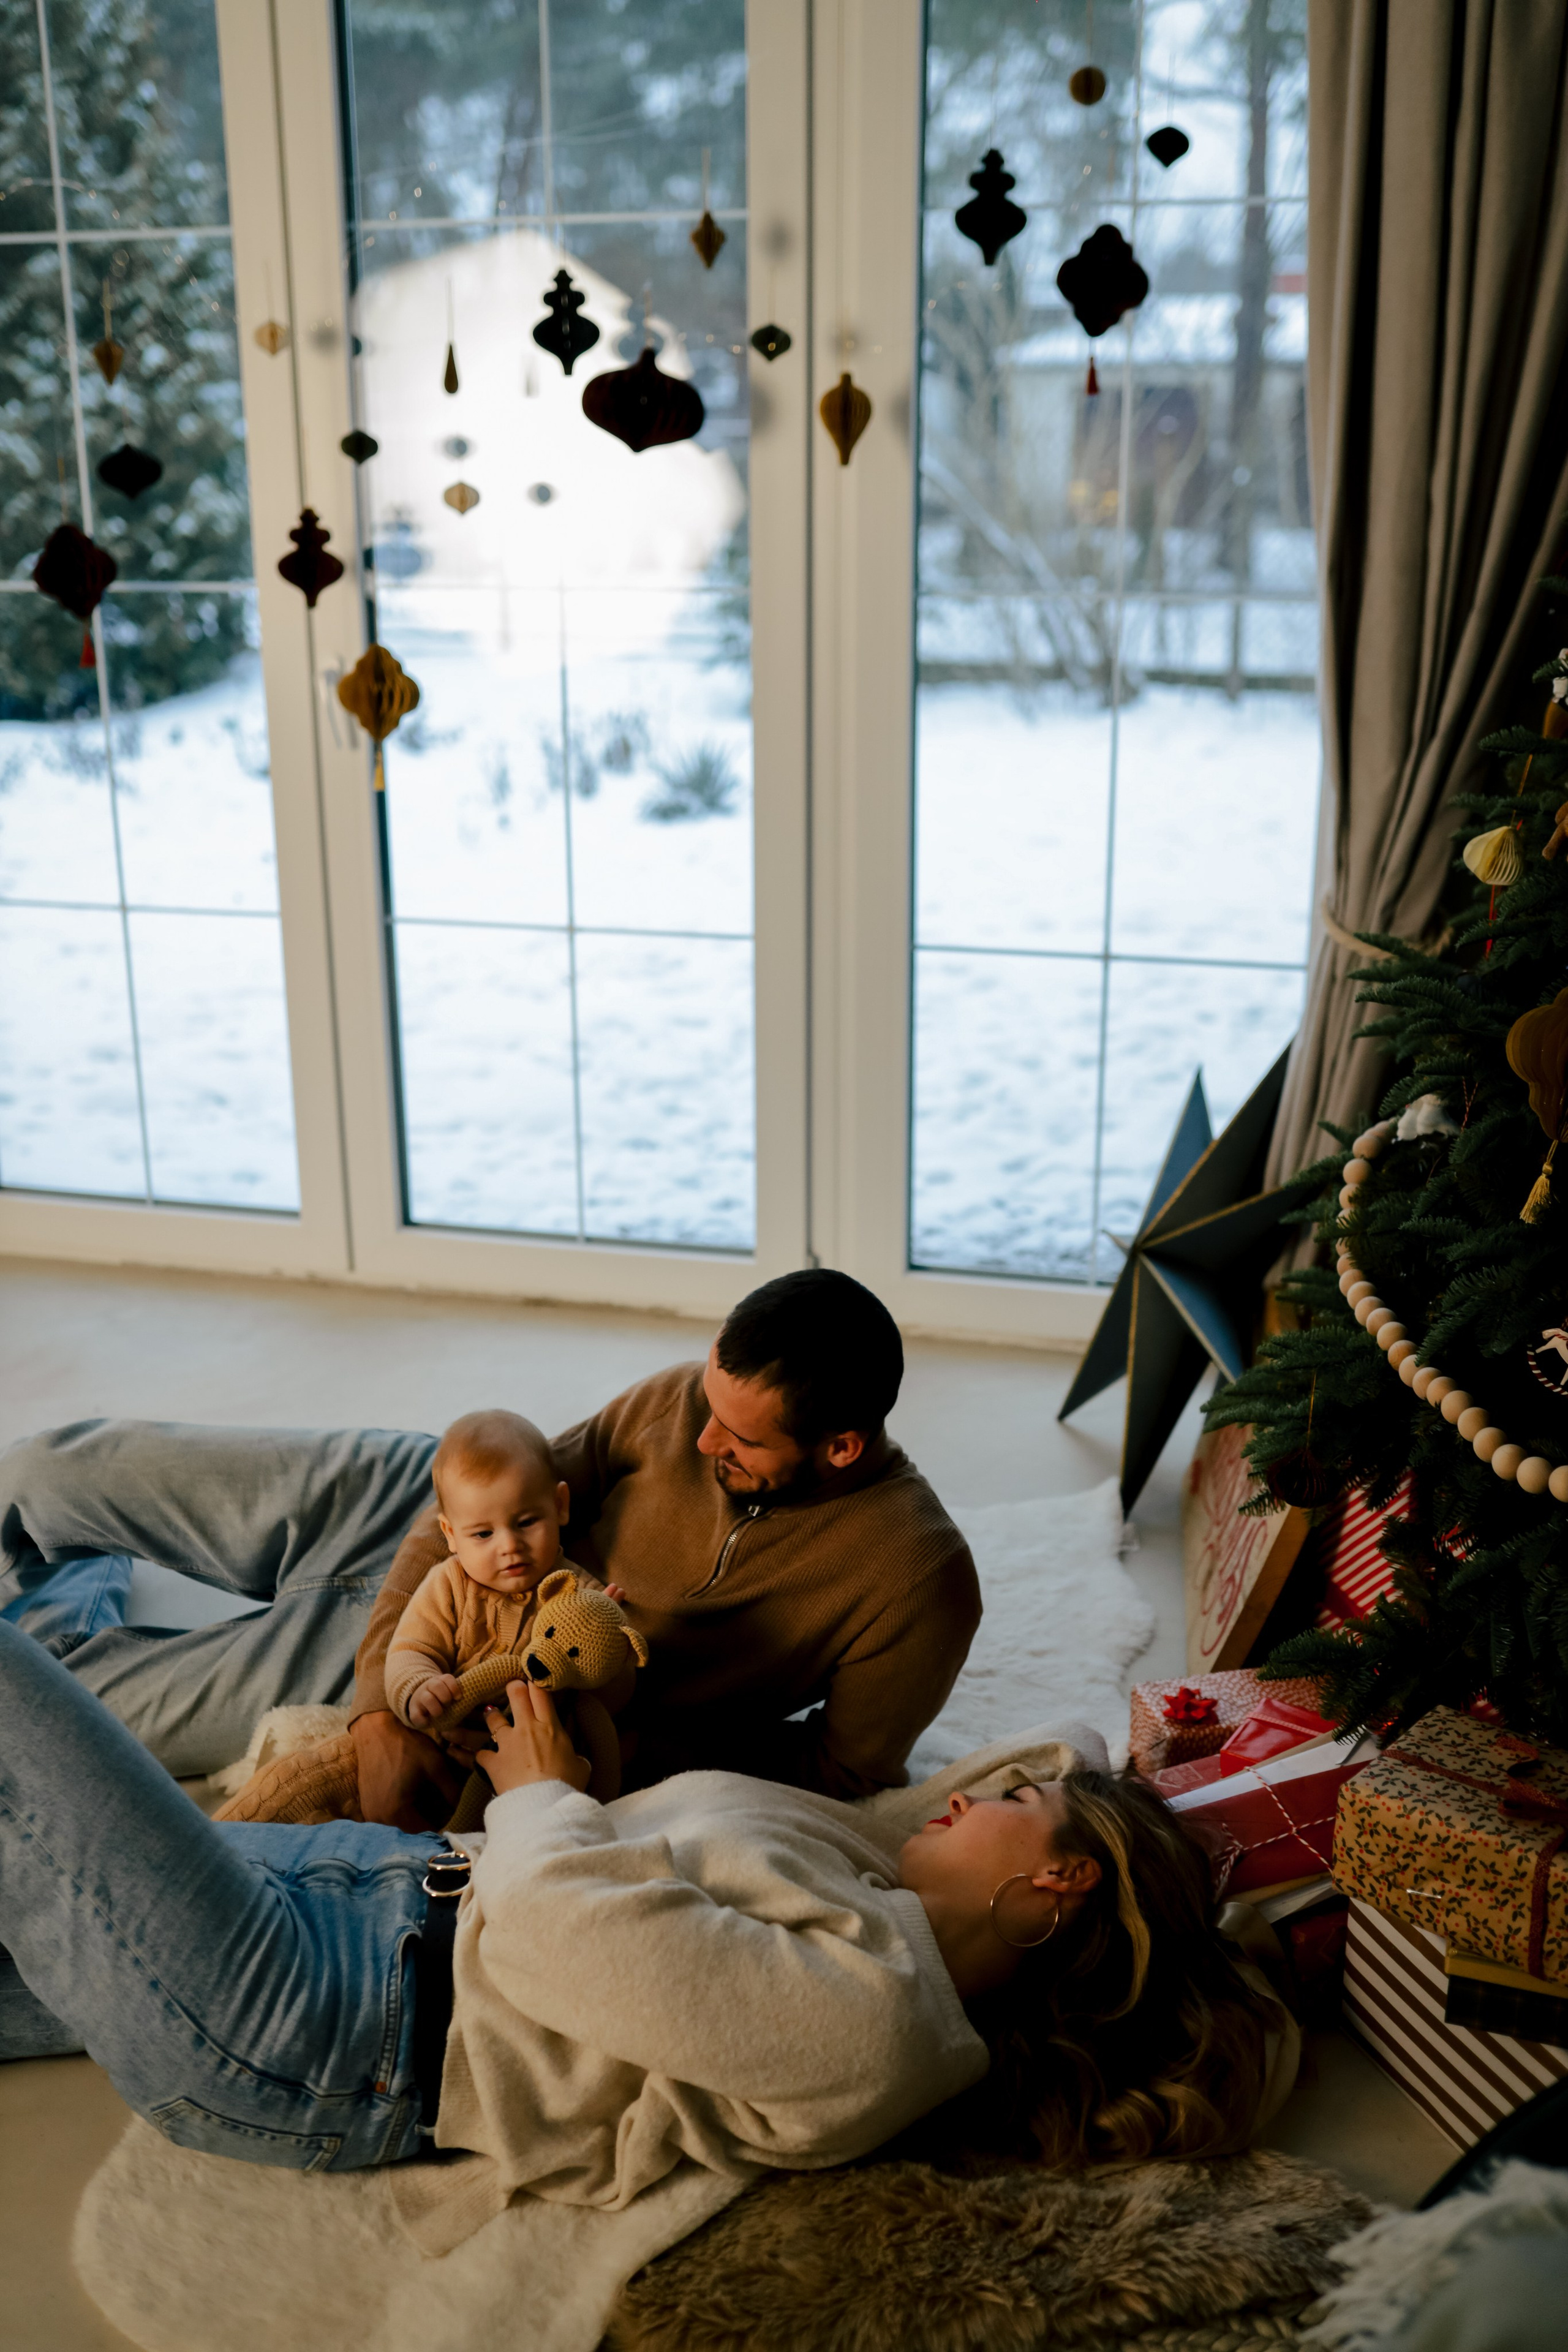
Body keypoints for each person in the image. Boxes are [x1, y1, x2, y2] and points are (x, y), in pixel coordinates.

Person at [0, 1620, 1291, 2258]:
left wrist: (542, 1790)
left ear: (1057, 1887)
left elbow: (563, 1934)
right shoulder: (879, 1885)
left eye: (1006, 1809)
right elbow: (1056, 1742)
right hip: (353, 1894)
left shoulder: (876, 2022)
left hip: (315, 2016)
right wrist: (1098, 1792)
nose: (970, 1791)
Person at [0, 1270, 981, 1818]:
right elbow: (542, 1472)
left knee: (41, 1696)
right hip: (430, 1504)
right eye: (706, 1406)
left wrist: (594, 1745)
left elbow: (840, 1777)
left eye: (739, 1437)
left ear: (842, 1447)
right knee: (43, 1471)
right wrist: (392, 1677)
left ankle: (59, 1603)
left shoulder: (915, 1580)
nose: (700, 1437)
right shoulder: (684, 1398)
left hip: (491, 1667)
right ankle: (66, 1574)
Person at [383, 1408, 631, 1733]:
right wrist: (418, 1686)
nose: (510, 1546)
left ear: (559, 1506)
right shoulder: (448, 1584)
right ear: (451, 1534)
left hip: (538, 1750)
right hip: (446, 1738)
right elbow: (411, 1648)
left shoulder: (578, 1596)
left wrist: (614, 1656)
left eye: (526, 1523)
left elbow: (613, 1702)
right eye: (483, 1534)